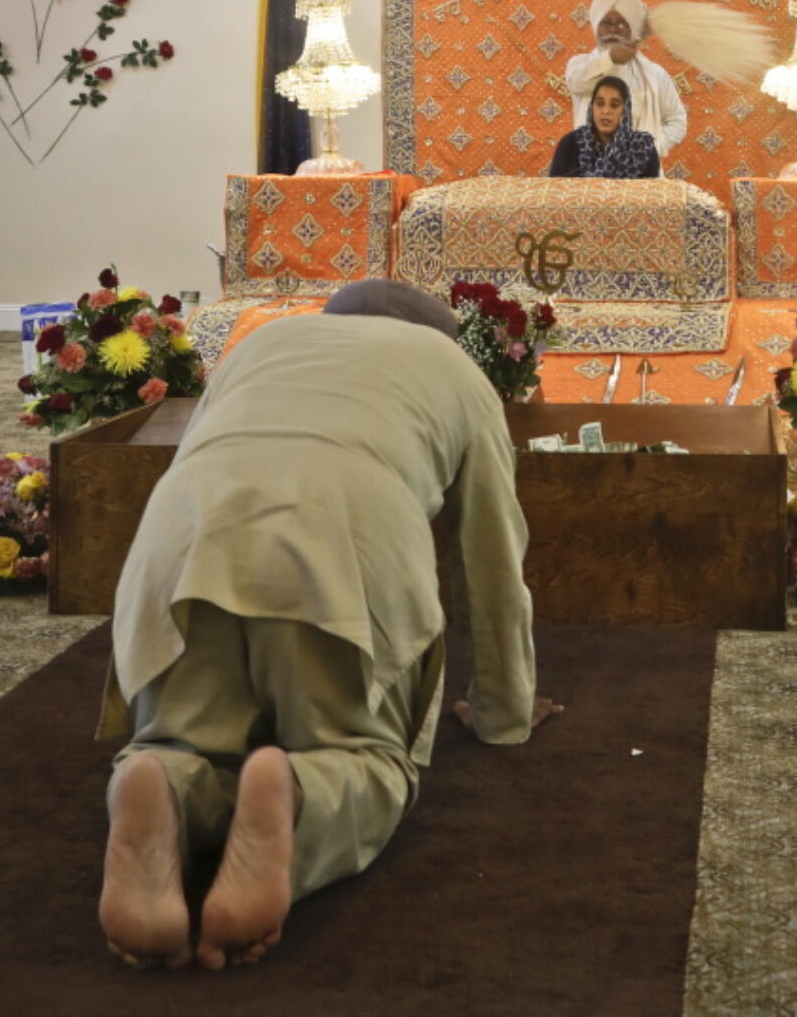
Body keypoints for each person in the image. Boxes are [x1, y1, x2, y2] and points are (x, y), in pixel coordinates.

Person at [97, 280, 560, 973]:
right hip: (343, 542)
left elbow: (199, 454)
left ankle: (163, 774)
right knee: (362, 752)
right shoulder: (460, 375)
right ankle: (302, 795)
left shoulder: (263, 343)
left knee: (181, 734)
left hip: (187, 539)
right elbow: (491, 561)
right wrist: (503, 710)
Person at [564, 0, 688, 157]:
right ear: (597, 28)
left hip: (641, 177)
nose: (613, 30)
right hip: (591, 173)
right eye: (606, 23)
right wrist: (610, 59)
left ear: (632, 30)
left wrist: (649, 151)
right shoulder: (580, 65)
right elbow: (577, 83)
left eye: (622, 24)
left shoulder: (654, 74)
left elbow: (677, 120)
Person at [548, 74, 660, 179]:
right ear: (592, 107)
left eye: (614, 105)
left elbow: (652, 196)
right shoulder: (571, 144)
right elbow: (554, 192)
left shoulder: (643, 147)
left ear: (625, 110)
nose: (606, 111)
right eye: (600, 104)